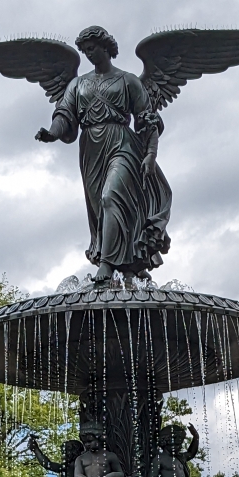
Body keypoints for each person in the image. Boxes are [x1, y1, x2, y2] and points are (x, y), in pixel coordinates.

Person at [36, 25, 172, 288]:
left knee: (111, 197)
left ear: (106, 47)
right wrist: (52, 133)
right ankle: (129, 264)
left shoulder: (128, 81)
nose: (88, 54)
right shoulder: (78, 84)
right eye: (85, 51)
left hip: (122, 143)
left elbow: (148, 119)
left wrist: (151, 154)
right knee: (101, 207)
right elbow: (65, 114)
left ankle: (107, 263)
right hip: (91, 148)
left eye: (92, 49)